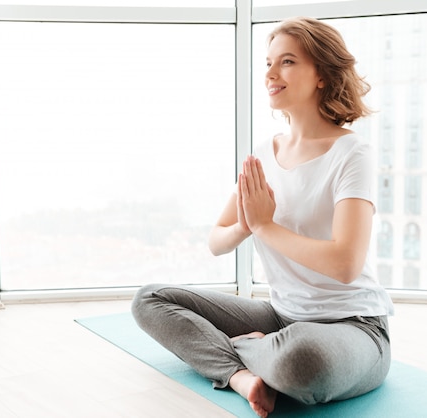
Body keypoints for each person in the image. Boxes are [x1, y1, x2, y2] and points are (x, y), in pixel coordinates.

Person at [131, 16, 394, 418]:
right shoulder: (264, 153)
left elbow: (345, 264)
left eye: (286, 62)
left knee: (301, 363)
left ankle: (244, 346)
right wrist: (246, 223)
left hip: (352, 327)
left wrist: (266, 226)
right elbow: (218, 240)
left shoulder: (351, 154)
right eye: (268, 62)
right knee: (150, 300)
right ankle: (240, 375)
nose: (270, 73)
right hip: (281, 317)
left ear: (322, 74)